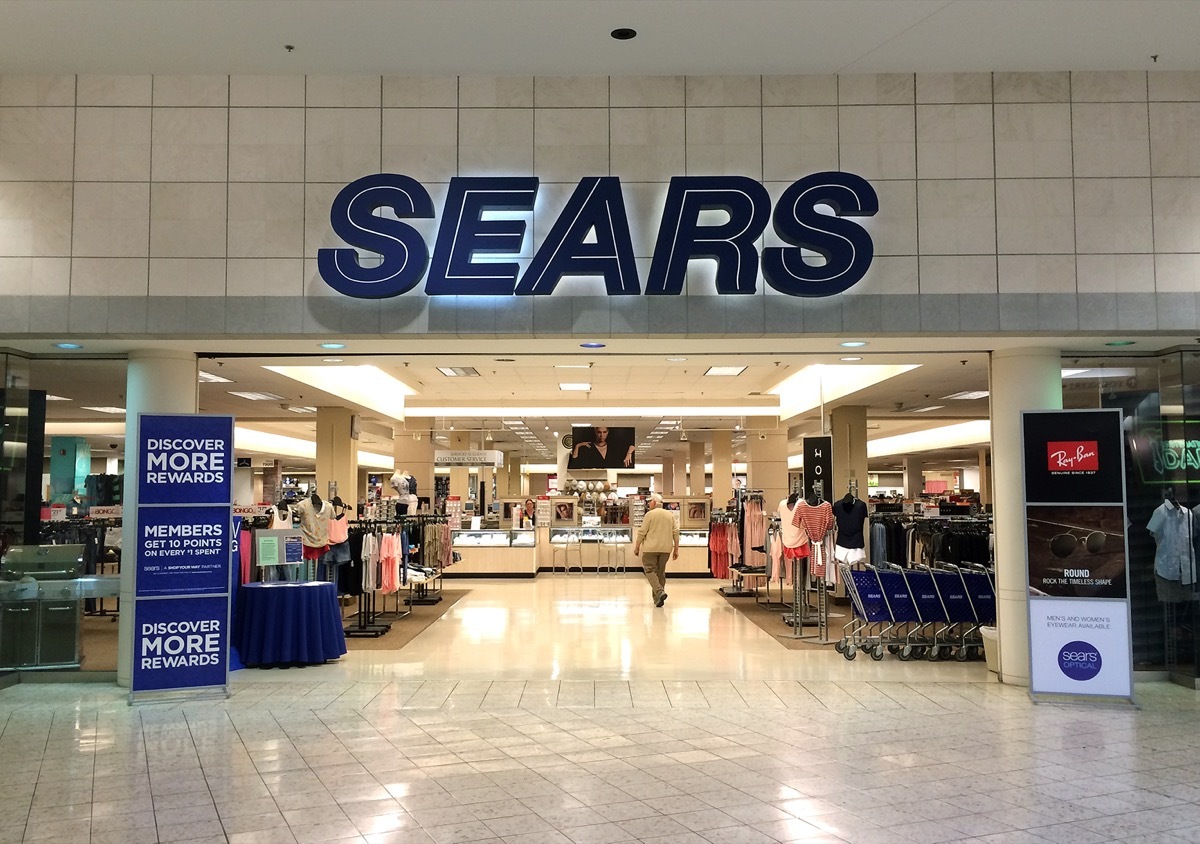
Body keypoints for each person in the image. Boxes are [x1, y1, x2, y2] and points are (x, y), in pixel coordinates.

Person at [633, 493, 679, 607]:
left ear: (654, 502)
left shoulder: (650, 515)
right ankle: (658, 599)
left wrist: (637, 546)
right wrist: (676, 549)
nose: (649, 504)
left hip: (651, 548)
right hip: (666, 549)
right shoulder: (670, 515)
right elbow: (676, 532)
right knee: (660, 573)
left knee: (649, 570)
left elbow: (642, 532)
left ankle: (659, 592)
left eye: (650, 502)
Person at [569, 426, 635, 469]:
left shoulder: (614, 447)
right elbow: (575, 464)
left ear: (608, 432)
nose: (602, 435)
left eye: (604, 432)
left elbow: (632, 445)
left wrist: (629, 453)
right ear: (595, 432)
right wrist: (577, 446)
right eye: (599, 432)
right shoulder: (588, 448)